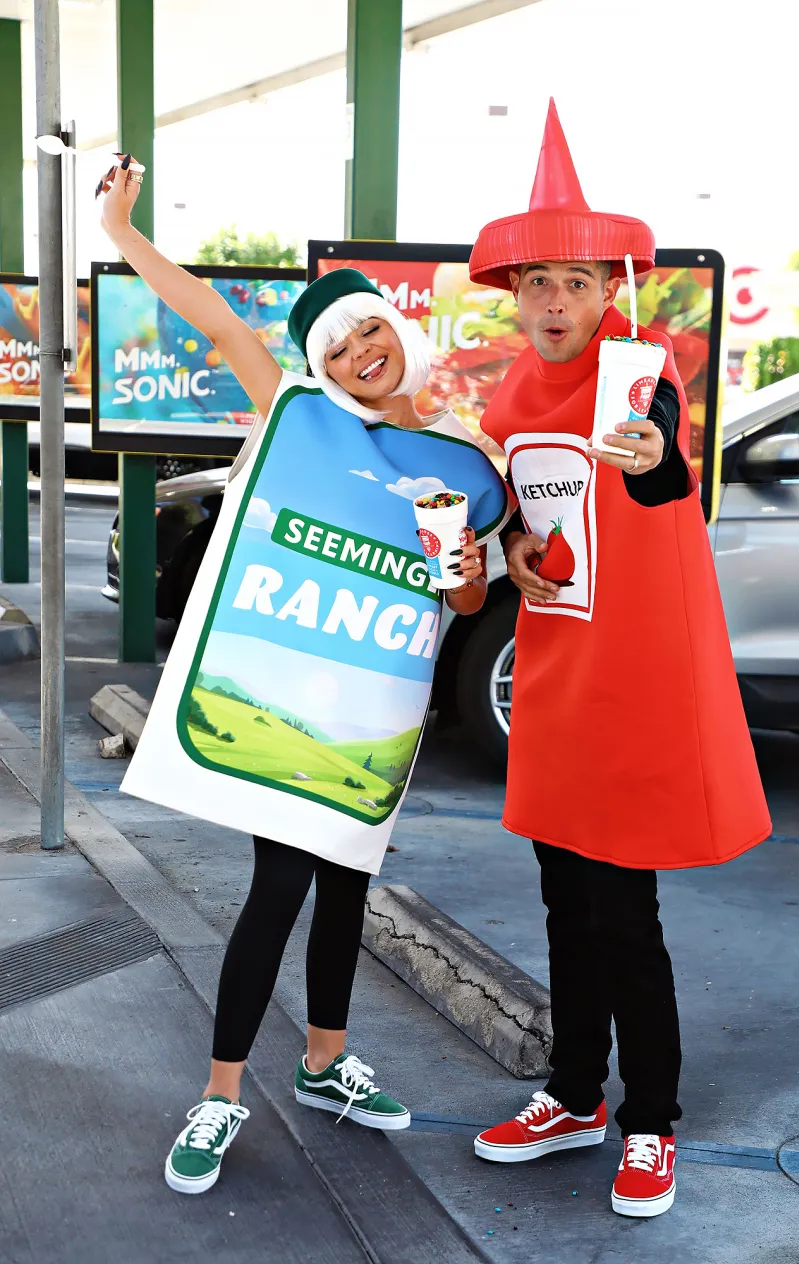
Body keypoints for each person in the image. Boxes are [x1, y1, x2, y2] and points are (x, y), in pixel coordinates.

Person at [98, 155, 513, 1195]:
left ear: (397, 331)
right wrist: (122, 233)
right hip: (291, 703)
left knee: (345, 889)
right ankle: (223, 1092)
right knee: (280, 884)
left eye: (367, 327)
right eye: (335, 345)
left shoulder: (465, 458)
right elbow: (211, 316)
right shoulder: (298, 416)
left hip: (378, 716)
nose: (358, 350)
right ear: (322, 368)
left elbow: (464, 603)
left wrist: (462, 573)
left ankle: (326, 1063)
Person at [466, 102, 771, 1218]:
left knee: (622, 915)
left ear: (610, 292)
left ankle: (651, 1120)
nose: (555, 302)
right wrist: (507, 548)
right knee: (560, 902)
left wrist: (654, 456)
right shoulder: (504, 394)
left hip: (629, 682)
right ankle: (575, 1094)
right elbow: (513, 512)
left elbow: (657, 466)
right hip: (552, 677)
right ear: (516, 297)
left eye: (576, 283)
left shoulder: (641, 374)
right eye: (536, 282)